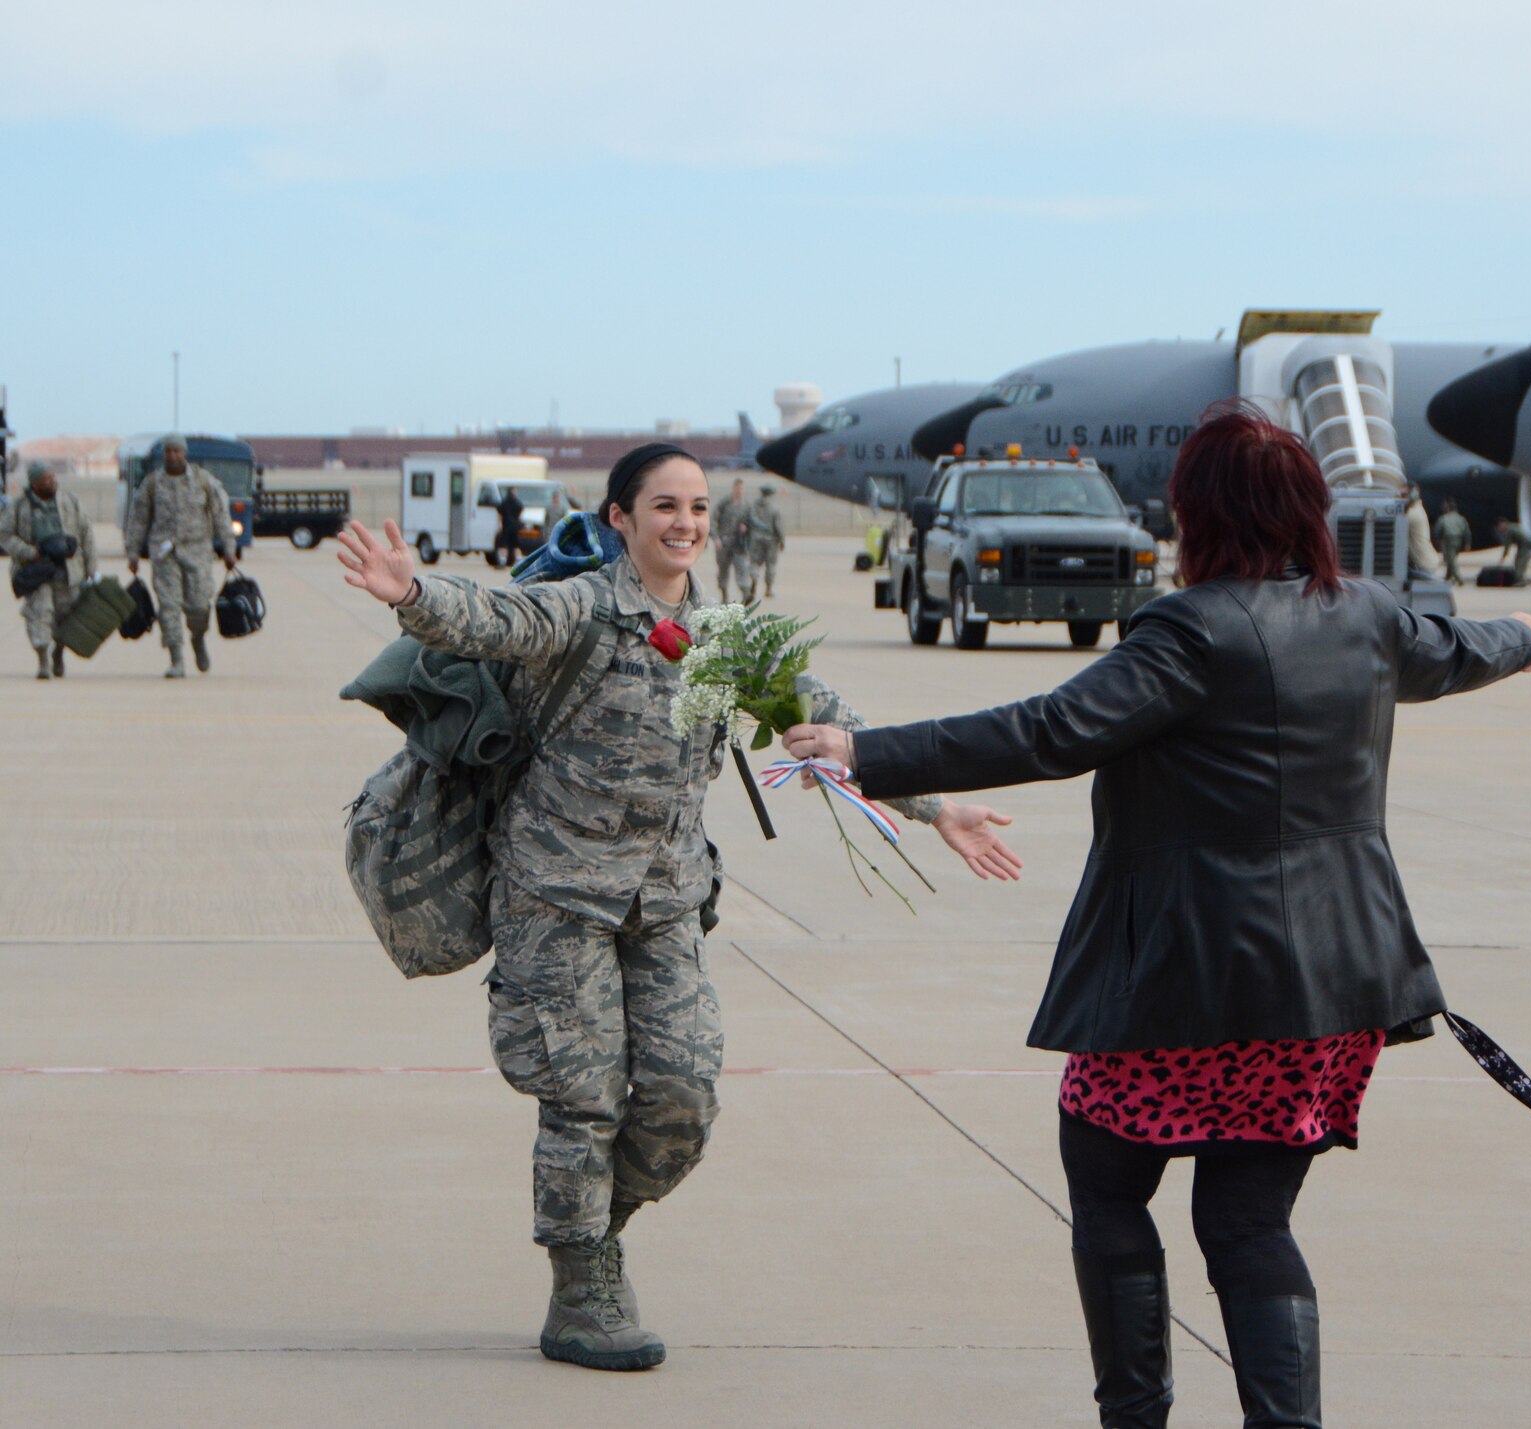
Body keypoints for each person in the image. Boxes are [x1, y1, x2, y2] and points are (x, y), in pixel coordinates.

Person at [783, 406, 1531, 1428]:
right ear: (1308, 510)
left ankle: (1133, 1417)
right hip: (1329, 981)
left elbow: (1051, 729)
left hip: (1190, 983)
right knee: (1243, 1219)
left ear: (1194, 512)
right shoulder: (1363, 612)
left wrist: (866, 752)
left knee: (1106, 1188)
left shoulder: (1191, 629)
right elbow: (1457, 648)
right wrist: (1524, 637)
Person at [334, 443, 1019, 1373]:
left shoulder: (726, 640)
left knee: (682, 1097)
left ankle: (593, 1228)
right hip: (555, 896)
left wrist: (939, 806)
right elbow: (494, 619)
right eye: (664, 505)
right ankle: (581, 1285)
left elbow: (823, 722)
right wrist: (412, 594)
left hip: (664, 903)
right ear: (620, 518)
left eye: (697, 506)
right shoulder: (580, 608)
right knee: (581, 1099)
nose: (686, 522)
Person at [123, 434, 238, 678]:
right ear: (163, 455)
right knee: (168, 606)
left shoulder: (204, 481)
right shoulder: (153, 484)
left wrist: (229, 548)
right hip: (165, 556)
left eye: (177, 451)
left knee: (198, 605)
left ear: (184, 453)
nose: (173, 456)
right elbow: (139, 520)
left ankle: (198, 639)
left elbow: (220, 516)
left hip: (198, 553)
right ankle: (176, 658)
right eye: (168, 452)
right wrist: (133, 552)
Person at [4, 461, 96, 679]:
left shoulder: (69, 502)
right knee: (40, 614)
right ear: (34, 483)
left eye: (53, 478)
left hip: (68, 570)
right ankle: (43, 659)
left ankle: (58, 652)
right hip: (36, 571)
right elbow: (4, 535)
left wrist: (91, 566)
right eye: (46, 479)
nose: (52, 482)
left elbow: (86, 533)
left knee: (66, 617)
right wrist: (29, 552)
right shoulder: (19, 506)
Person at [733, 484, 785, 601]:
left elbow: (747, 521)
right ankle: (768, 589)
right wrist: (782, 540)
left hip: (755, 539)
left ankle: (754, 579)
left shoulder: (753, 506)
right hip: (771, 540)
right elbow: (778, 526)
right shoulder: (774, 508)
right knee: (770, 564)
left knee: (754, 563)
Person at [712, 476, 747, 600]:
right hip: (724, 542)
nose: (739, 491)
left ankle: (745, 594)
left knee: (741, 568)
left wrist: (746, 527)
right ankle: (724, 595)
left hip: (738, 544)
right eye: (737, 488)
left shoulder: (745, 506)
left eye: (741, 489)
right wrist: (715, 537)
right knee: (723, 570)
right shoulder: (724, 503)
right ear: (733, 489)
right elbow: (714, 519)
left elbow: (751, 522)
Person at [1404, 483, 1443, 580]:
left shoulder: (1412, 514)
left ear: (1413, 495)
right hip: (1426, 561)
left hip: (1422, 564)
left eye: (1404, 495)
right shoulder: (1418, 509)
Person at [1434, 498, 1471, 586]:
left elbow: (1437, 530)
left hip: (1448, 540)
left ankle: (1459, 579)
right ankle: (1448, 576)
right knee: (1452, 559)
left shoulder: (1443, 518)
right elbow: (1467, 531)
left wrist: (1438, 539)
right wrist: (1467, 543)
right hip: (1459, 540)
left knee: (1450, 560)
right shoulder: (1461, 518)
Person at [1495, 515, 1531, 583]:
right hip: (1527, 543)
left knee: (1519, 561)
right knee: (1521, 561)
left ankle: (1520, 580)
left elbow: (1507, 546)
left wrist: (1503, 558)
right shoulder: (1513, 526)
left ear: (1503, 523)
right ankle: (1521, 579)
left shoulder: (1509, 531)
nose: (1500, 528)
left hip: (1524, 544)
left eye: (1500, 526)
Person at [495, 486, 525, 567]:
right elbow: (521, 514)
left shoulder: (503, 503)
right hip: (515, 527)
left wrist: (499, 525)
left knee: (503, 544)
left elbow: (500, 515)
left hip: (506, 526)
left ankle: (502, 561)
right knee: (516, 544)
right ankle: (518, 561)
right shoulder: (518, 503)